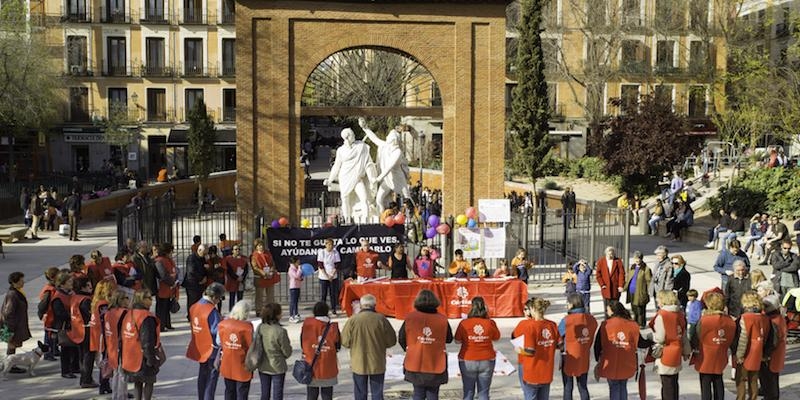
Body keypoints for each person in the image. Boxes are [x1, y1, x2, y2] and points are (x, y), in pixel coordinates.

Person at [341, 294, 397, 400]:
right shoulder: (381, 319)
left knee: (360, 393)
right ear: (374, 305)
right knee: (377, 393)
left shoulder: (353, 320)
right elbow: (392, 341)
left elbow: (345, 342)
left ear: (361, 306)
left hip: (358, 362)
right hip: (377, 362)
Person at [399, 290, 452, 400]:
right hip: (436, 361)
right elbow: (449, 339)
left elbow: (401, 338)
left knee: (418, 393)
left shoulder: (410, 318)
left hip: (415, 361)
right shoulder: (442, 319)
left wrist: (410, 348)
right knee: (433, 394)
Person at [323, 127, 378, 221]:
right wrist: (330, 179)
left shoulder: (361, 146)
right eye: (352, 134)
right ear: (347, 137)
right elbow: (336, 166)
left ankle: (366, 221)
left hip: (357, 177)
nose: (354, 136)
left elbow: (367, 162)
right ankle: (347, 220)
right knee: (345, 199)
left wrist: (371, 176)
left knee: (364, 198)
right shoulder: (341, 150)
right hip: (345, 177)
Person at [359, 118, 412, 213]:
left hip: (397, 179)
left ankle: (410, 218)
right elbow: (374, 139)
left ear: (395, 140)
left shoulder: (397, 152)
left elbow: (389, 167)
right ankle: (382, 218)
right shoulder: (385, 146)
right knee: (379, 199)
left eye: (391, 139)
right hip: (388, 179)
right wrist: (365, 128)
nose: (388, 139)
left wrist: (378, 179)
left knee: (407, 200)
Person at [691, 291, 736, 400]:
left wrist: (693, 348)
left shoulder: (704, 320)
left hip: (705, 354)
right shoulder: (729, 321)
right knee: (718, 379)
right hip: (721, 352)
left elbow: (695, 336)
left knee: (705, 383)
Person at [454, 297, 500, 400]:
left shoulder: (464, 323)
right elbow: (496, 338)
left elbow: (457, 341)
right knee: (484, 393)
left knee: (468, 391)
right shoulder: (490, 323)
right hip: (487, 359)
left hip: (467, 359)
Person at [512, 297, 558, 399]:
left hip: (532, 372)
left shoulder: (530, 326)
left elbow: (530, 351)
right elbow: (559, 345)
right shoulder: (552, 325)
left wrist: (519, 350)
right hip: (546, 372)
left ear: (532, 309)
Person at [594, 300, 640, 400]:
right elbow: (639, 342)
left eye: (608, 310)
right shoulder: (632, 324)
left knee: (614, 386)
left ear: (613, 311)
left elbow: (597, 345)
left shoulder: (605, 325)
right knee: (623, 385)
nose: (607, 312)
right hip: (627, 360)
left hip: (610, 361)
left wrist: (598, 359)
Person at [186, 283, 224, 400]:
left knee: (202, 376)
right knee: (211, 380)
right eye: (219, 298)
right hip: (212, 349)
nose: (218, 302)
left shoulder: (194, 306)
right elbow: (216, 331)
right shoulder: (211, 310)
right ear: (214, 297)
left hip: (199, 346)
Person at [650, 290, 691, 400]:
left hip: (666, 351)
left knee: (666, 385)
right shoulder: (680, 314)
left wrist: (652, 336)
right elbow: (684, 335)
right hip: (677, 350)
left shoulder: (662, 315)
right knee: (674, 382)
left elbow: (660, 337)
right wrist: (687, 351)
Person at [121, 290, 162, 400]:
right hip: (142, 357)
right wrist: (151, 360)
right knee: (149, 381)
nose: (151, 300)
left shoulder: (129, 313)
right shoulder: (146, 317)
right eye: (149, 298)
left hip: (130, 356)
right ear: (142, 300)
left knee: (137, 383)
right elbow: (147, 340)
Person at [734, 292, 774, 400]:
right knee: (753, 380)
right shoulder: (765, 318)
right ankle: (753, 398)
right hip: (759, 352)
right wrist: (765, 354)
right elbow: (769, 336)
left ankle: (741, 398)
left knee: (741, 379)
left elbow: (743, 338)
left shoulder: (745, 318)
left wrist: (739, 355)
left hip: (747, 352)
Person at [558, 293, 597, 400]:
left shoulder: (567, 320)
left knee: (567, 387)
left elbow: (558, 334)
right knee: (583, 386)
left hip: (569, 356)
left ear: (572, 304)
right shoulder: (591, 319)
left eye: (568, 303)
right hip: (583, 356)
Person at [301, 302, 341, 400]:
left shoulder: (307, 324)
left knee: (311, 395)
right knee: (327, 395)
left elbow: (302, 341)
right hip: (328, 366)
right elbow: (338, 346)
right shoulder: (333, 327)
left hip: (311, 365)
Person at [218, 300, 254, 400]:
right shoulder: (247, 327)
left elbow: (218, 342)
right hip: (241, 364)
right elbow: (251, 346)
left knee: (229, 391)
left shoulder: (223, 324)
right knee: (242, 392)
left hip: (227, 363)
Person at [257, 303, 292, 400]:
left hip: (263, 365)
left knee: (264, 393)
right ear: (276, 315)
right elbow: (287, 352)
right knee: (277, 394)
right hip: (278, 366)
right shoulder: (281, 331)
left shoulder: (260, 327)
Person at [70, 276, 97, 388]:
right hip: (86, 330)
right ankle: (87, 379)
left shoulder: (75, 297)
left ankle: (84, 378)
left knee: (82, 356)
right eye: (88, 285)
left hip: (77, 329)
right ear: (83, 287)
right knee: (88, 356)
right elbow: (91, 315)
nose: (91, 287)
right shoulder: (86, 300)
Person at [1, 272, 32, 370]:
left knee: (13, 345)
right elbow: (8, 313)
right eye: (21, 280)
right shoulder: (13, 295)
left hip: (16, 323)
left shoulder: (17, 291)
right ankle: (10, 365)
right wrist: (11, 329)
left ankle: (8, 364)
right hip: (13, 325)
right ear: (15, 282)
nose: (23, 282)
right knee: (12, 345)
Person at [89, 280, 116, 395]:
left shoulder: (97, 302)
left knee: (105, 361)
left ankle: (105, 385)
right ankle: (104, 384)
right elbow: (107, 319)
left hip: (100, 335)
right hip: (105, 335)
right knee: (106, 361)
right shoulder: (104, 304)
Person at [105, 290, 130, 399]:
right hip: (121, 345)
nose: (128, 300)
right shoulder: (124, 313)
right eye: (126, 298)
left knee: (115, 372)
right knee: (122, 373)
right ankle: (121, 396)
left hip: (111, 344)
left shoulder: (108, 312)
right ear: (120, 300)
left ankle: (115, 395)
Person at [759, 295, 785, 400]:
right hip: (777, 353)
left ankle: (770, 397)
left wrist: (765, 354)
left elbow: (773, 340)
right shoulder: (779, 318)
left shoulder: (773, 320)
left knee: (768, 378)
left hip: (771, 355)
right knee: (773, 377)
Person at [154, 243, 177, 331]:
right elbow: (163, 275)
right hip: (163, 288)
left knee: (167, 307)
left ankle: (167, 323)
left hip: (169, 288)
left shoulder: (168, 260)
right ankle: (161, 325)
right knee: (161, 308)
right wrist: (172, 282)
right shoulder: (159, 261)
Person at [625, 250, 651, 327]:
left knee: (640, 310)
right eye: (635, 258)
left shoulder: (645, 269)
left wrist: (647, 292)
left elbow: (649, 281)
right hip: (632, 291)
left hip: (640, 292)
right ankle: (635, 323)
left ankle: (641, 324)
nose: (637, 260)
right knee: (634, 308)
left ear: (641, 259)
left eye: (638, 258)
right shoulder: (632, 267)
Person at [38, 267, 60, 361]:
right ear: (52, 278)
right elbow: (43, 305)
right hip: (50, 316)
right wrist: (41, 314)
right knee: (49, 335)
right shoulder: (49, 290)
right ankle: (48, 353)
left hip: (54, 315)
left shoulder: (54, 288)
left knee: (54, 334)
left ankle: (54, 349)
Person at [251, 239, 278, 311]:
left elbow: (272, 263)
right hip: (260, 278)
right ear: (256, 247)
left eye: (262, 245)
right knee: (259, 296)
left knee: (270, 295)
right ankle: (259, 310)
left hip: (269, 276)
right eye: (259, 245)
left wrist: (271, 271)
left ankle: (270, 309)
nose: (261, 247)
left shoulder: (268, 253)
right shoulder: (254, 255)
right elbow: (255, 267)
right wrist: (264, 273)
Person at [596, 246, 625, 311]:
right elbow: (598, 274)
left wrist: (621, 285)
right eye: (609, 254)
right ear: (606, 254)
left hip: (615, 289)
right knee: (607, 308)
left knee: (615, 308)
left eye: (612, 254)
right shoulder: (601, 261)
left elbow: (621, 274)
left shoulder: (618, 261)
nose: (611, 255)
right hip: (606, 288)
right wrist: (602, 284)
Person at [316, 238, 341, 315]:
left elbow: (337, 264)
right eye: (329, 244)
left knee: (333, 293)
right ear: (326, 244)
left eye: (332, 245)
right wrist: (327, 276)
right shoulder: (322, 252)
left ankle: (333, 309)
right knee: (323, 294)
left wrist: (332, 274)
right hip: (324, 276)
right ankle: (322, 311)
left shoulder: (335, 252)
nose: (330, 246)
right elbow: (320, 264)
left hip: (333, 276)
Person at [184, 244, 209, 317]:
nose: (205, 255)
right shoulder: (191, 258)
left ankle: (196, 315)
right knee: (192, 301)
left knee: (199, 301)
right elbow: (191, 271)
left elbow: (204, 269)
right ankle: (191, 316)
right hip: (192, 283)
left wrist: (205, 277)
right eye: (204, 253)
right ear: (199, 250)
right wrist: (200, 279)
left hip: (200, 284)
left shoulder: (203, 258)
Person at [222, 244, 249, 311]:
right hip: (232, 280)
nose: (237, 251)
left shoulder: (244, 259)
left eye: (239, 249)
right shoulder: (228, 259)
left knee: (240, 296)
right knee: (232, 297)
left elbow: (246, 269)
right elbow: (229, 270)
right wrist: (236, 277)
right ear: (232, 251)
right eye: (236, 249)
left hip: (241, 280)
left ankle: (240, 310)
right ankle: (231, 311)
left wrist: (242, 277)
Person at [287, 257, 303, 323]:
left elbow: (299, 277)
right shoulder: (291, 269)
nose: (298, 264)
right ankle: (291, 316)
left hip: (297, 286)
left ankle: (296, 314)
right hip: (293, 287)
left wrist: (301, 278)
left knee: (296, 301)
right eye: (297, 262)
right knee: (292, 302)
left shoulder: (296, 268)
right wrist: (299, 269)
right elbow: (296, 276)